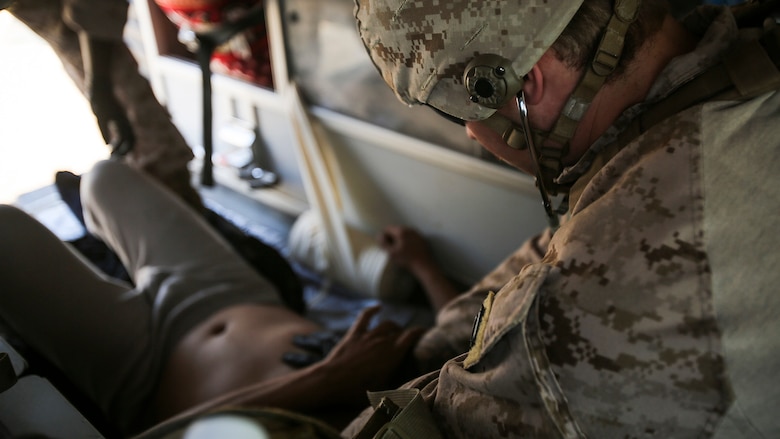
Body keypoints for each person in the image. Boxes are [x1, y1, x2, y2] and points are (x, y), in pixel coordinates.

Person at [341, 0, 779, 437]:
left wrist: (316, 387)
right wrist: (428, 346)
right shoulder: (745, 55)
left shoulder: (580, 314)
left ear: (515, 85)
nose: (472, 132)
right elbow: (562, 241)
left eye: (458, 114)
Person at [4, 0, 202, 210]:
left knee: (155, 155)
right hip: (83, 54)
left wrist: (100, 84)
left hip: (97, 52)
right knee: (143, 152)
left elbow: (96, 9)